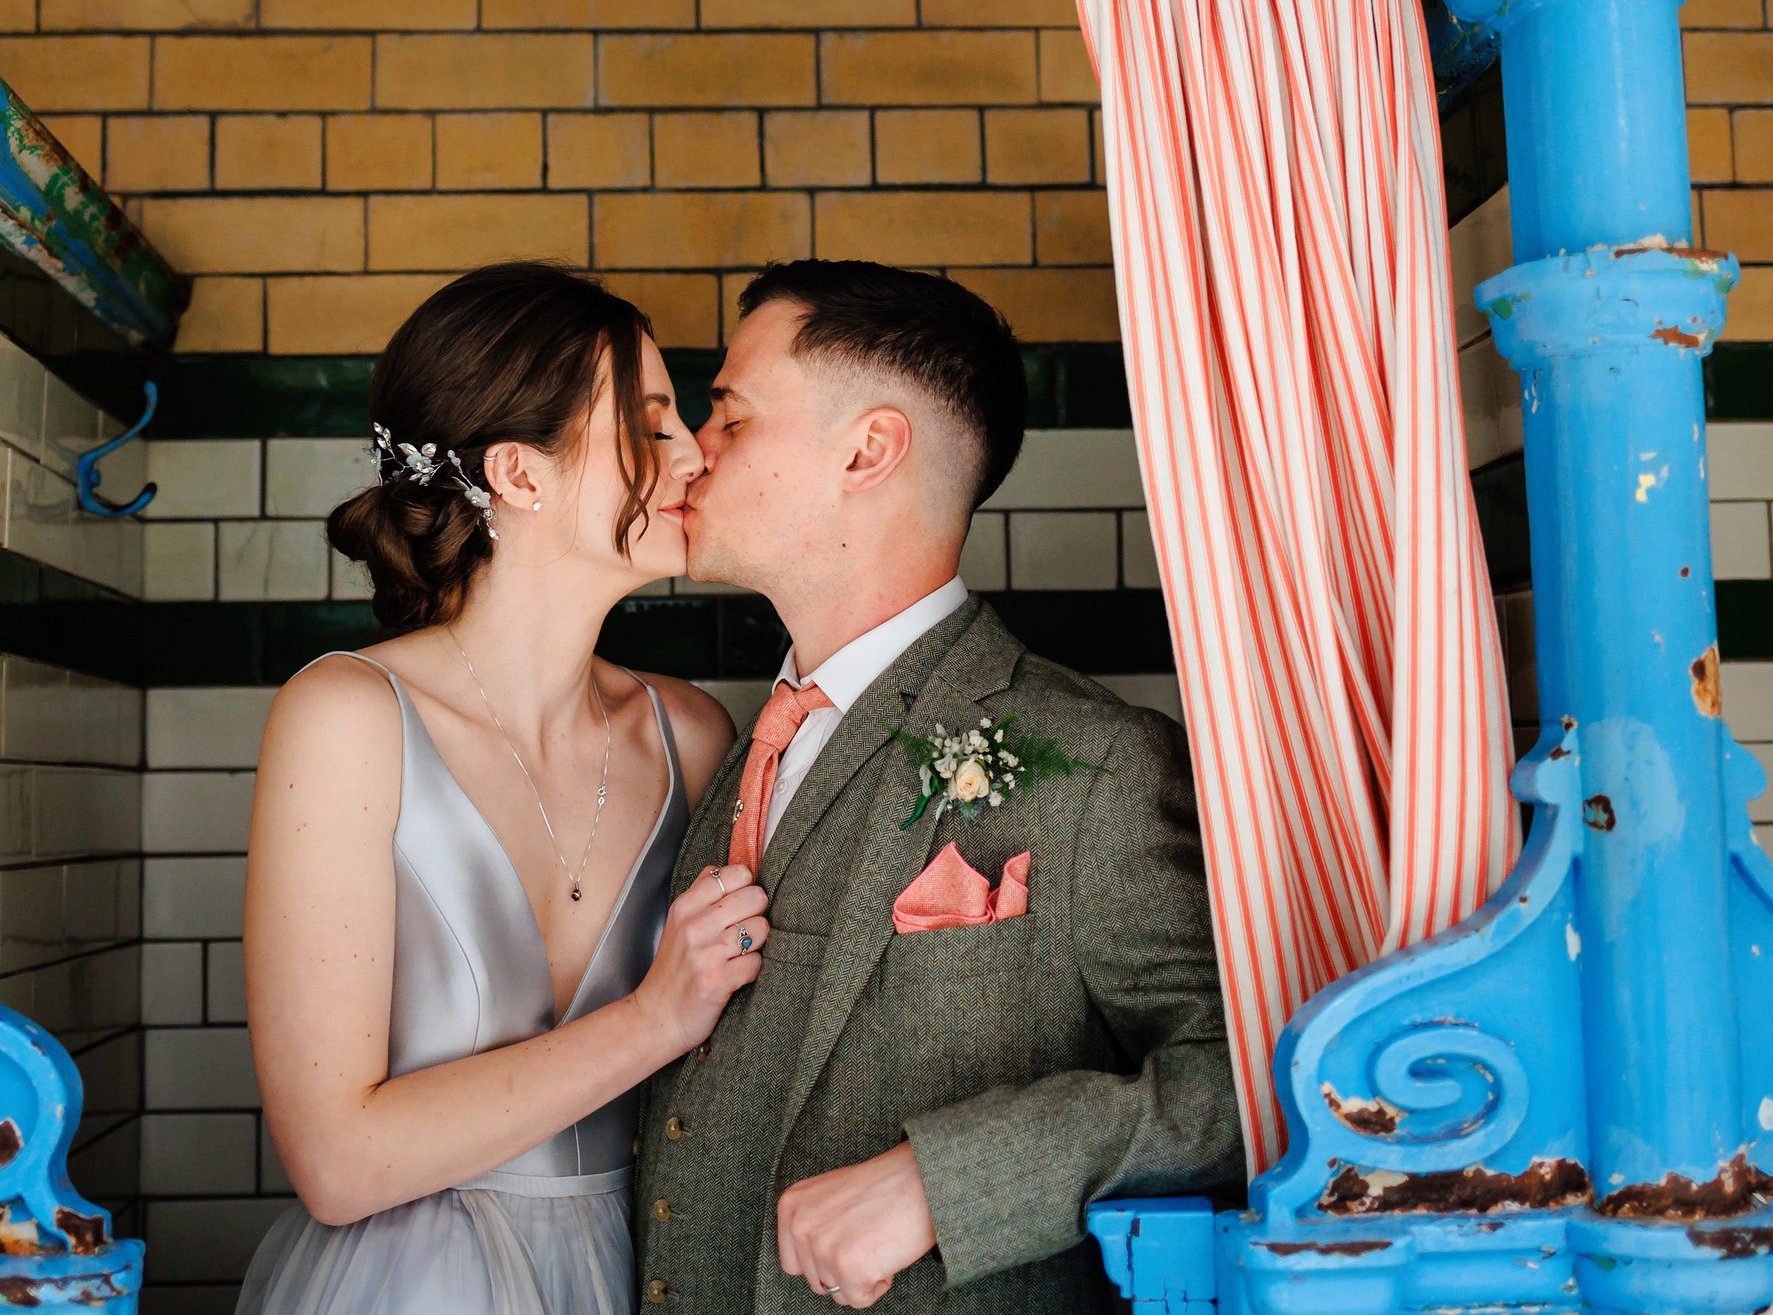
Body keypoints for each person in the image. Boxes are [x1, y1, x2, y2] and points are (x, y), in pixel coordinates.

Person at [633, 259, 1244, 1313]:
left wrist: (949, 1177)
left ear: (867, 448)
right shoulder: (734, 744)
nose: (691, 451)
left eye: (729, 414)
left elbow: (1245, 1085)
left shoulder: (1098, 765)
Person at [239, 262, 758, 1315]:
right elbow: (337, 1161)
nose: (695, 456)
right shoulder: (345, 717)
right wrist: (656, 1015)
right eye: (652, 426)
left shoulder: (693, 732)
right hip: (412, 1284)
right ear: (519, 474)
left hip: (646, 1273)